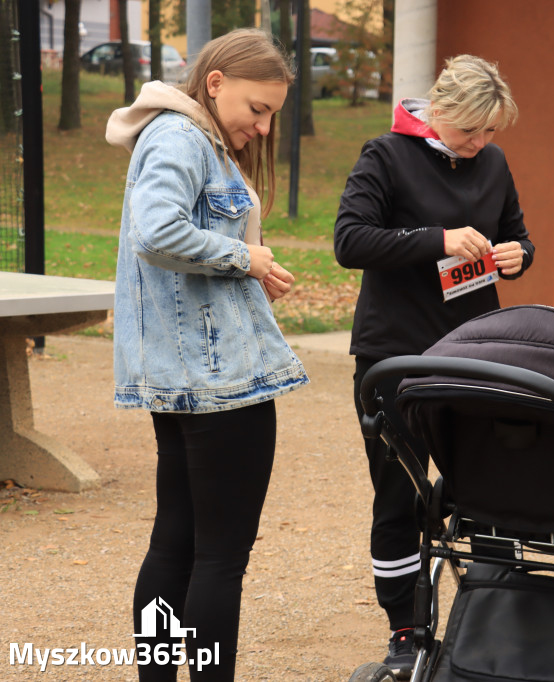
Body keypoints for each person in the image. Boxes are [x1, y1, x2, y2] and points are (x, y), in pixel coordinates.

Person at [106, 28, 309, 681]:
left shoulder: (187, 137)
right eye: (258, 108)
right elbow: (157, 231)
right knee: (219, 559)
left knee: (179, 544)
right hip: (220, 383)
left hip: (187, 375)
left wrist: (249, 269)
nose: (265, 125)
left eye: (274, 112)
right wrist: (241, 256)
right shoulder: (182, 137)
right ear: (215, 82)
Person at [334, 54, 534, 677]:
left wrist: (515, 257)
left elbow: (520, 238)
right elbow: (350, 241)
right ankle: (406, 629)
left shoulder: (493, 163)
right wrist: (439, 238)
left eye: (491, 133)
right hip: (392, 356)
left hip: (475, 352)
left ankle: (494, 621)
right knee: (400, 498)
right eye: (472, 130)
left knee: (494, 487)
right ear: (440, 111)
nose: (481, 145)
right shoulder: (385, 155)